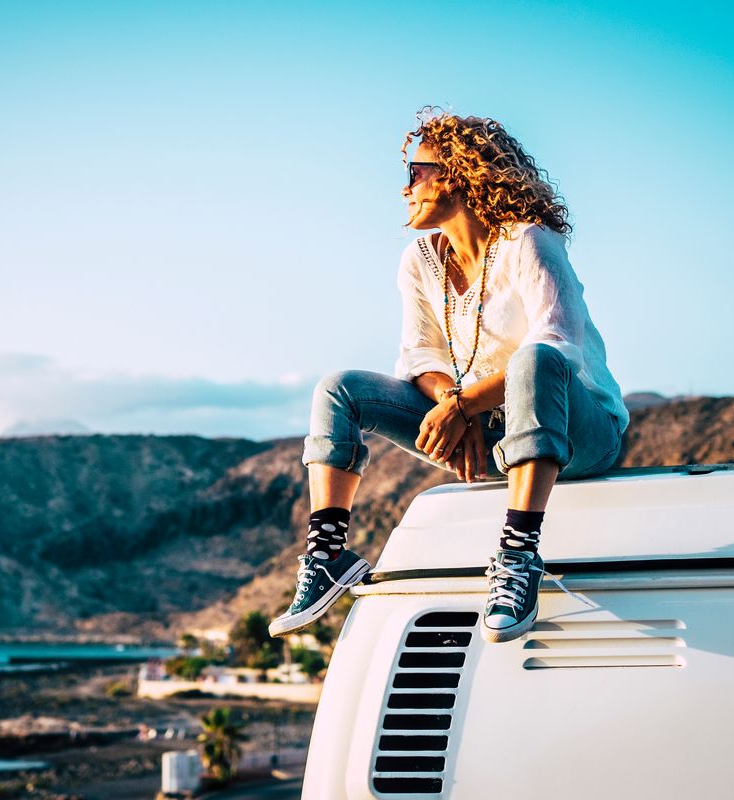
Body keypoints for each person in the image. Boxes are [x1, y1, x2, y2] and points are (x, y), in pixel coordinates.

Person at [268, 107, 629, 644]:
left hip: (581, 433)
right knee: (338, 388)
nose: (404, 189)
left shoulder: (529, 242)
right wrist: (452, 409)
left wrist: (463, 407)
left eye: (415, 173)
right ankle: (327, 556)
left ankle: (518, 558)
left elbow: (559, 345)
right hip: (491, 434)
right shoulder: (420, 259)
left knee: (534, 360)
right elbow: (420, 357)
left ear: (459, 173)